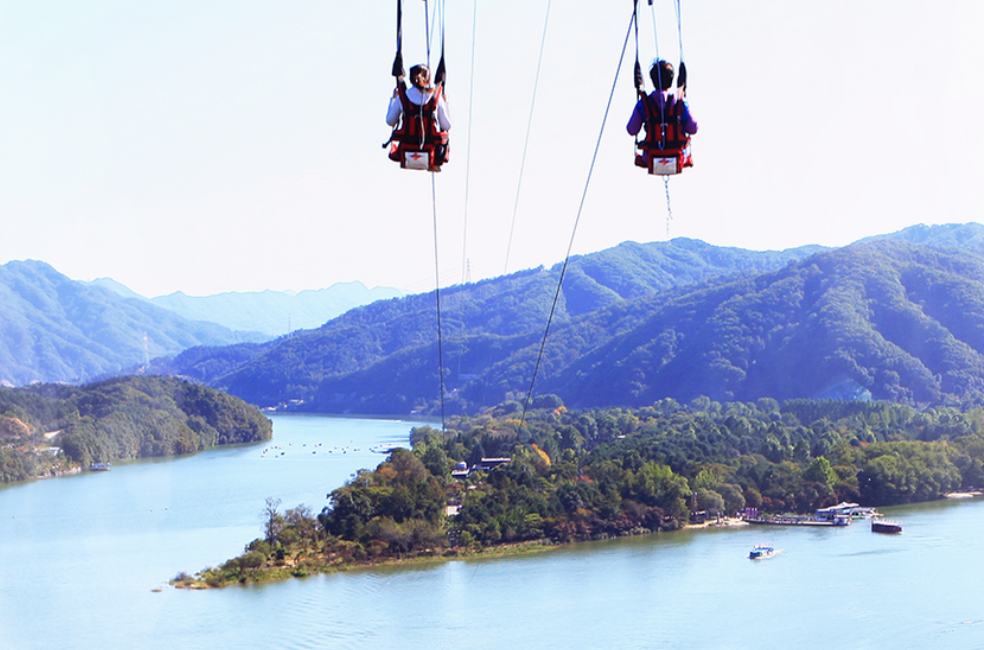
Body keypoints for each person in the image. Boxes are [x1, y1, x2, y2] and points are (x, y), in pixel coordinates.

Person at [627, 60, 697, 171]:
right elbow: (693, 129)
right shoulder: (681, 103)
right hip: (677, 156)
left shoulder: (644, 104)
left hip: (650, 156)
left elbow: (632, 130)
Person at [386, 64, 452, 171]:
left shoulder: (402, 97)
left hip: (406, 146)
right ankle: (434, 164)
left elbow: (390, 121)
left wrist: (394, 99)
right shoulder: (435, 97)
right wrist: (445, 103)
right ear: (428, 79)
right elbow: (447, 126)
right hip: (431, 148)